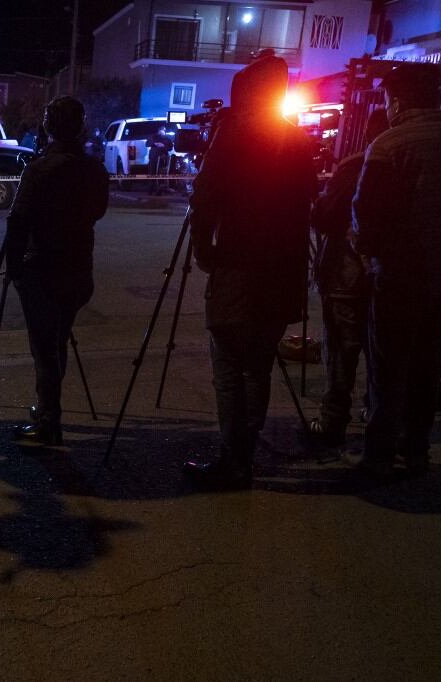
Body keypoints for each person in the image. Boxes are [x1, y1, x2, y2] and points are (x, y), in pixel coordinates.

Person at [183, 55, 317, 489]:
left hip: (240, 269)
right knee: (258, 365)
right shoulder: (297, 141)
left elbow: (204, 197)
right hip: (283, 270)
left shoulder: (233, 136)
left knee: (230, 366)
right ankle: (245, 452)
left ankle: (233, 460)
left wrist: (204, 248)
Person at [349, 64, 441, 479]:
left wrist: (367, 255)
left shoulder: (389, 144)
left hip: (400, 274)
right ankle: (417, 450)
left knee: (387, 367)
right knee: (428, 364)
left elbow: (367, 213)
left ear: (397, 99)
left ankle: (379, 456)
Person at [6, 96, 109, 446]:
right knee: (58, 341)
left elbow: (18, 220)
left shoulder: (40, 170)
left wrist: (13, 267)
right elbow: (98, 211)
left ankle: (50, 423)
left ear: (48, 126)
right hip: (79, 269)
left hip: (43, 271)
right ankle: (48, 405)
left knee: (45, 349)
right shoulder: (94, 168)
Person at [309, 109, 390, 446]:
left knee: (342, 352)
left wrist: (319, 200)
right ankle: (376, 415)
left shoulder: (358, 165)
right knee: (382, 352)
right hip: (389, 275)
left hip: (347, 274)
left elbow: (325, 218)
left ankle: (333, 422)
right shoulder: (412, 164)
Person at [146, 126, 172, 195]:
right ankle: (150, 190)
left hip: (162, 159)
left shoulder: (167, 139)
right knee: (152, 174)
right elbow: (147, 143)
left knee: (161, 175)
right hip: (153, 158)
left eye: (164, 130)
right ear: (159, 130)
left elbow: (170, 148)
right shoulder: (153, 137)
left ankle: (159, 191)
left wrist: (163, 146)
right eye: (162, 130)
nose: (163, 131)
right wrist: (155, 143)